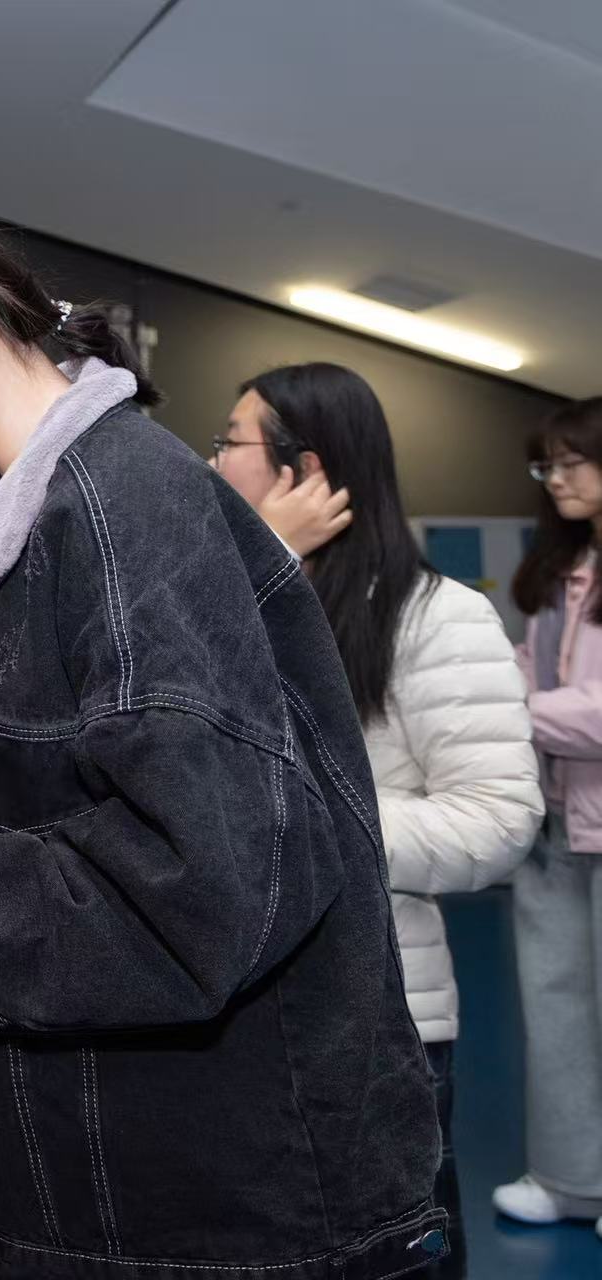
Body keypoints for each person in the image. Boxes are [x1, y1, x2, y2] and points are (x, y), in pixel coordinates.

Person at [0, 184, 444, 1280]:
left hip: (208, 1198)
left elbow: (196, 879)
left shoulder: (123, 506)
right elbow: (45, 777)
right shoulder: (28, 511)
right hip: (105, 1171)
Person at [212, 362, 542, 1278]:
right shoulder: (237, 595)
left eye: (227, 443)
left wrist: (294, 822)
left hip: (373, 1018)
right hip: (231, 1010)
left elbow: (496, 822)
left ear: (303, 468)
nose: (211, 465)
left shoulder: (435, 619)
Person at [494, 397, 602, 1241]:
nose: (555, 478)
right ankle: (570, 1180)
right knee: (555, 1002)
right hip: (557, 818)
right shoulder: (559, 568)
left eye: (571, 461)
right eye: (547, 465)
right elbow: (530, 673)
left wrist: (513, 706)